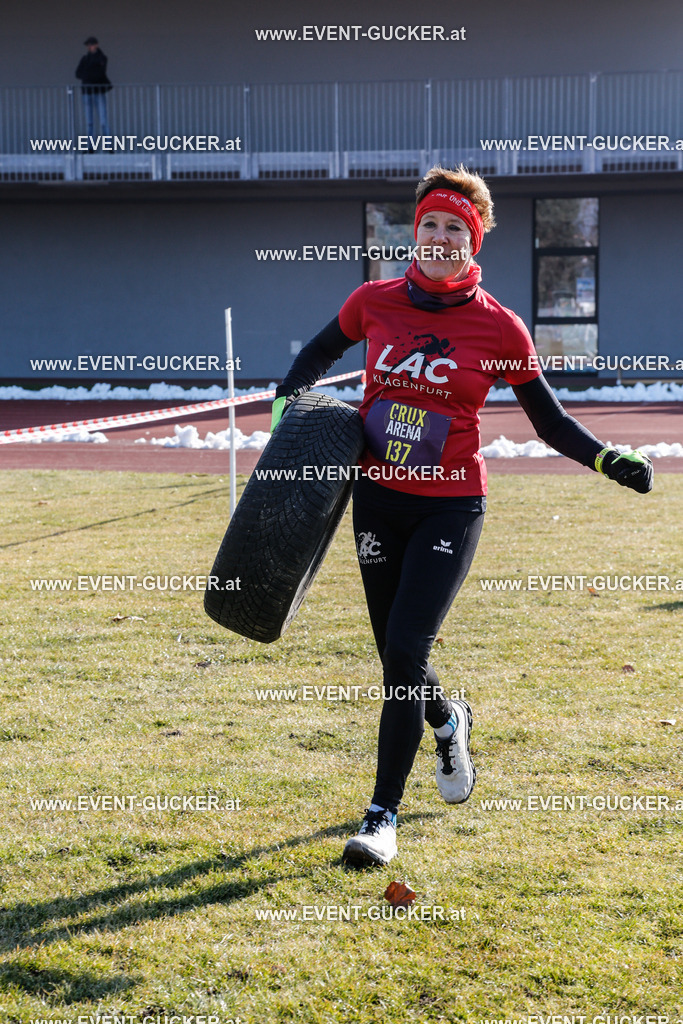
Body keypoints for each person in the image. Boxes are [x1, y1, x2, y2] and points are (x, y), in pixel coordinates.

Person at [271, 165, 653, 867]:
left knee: (404, 652)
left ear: (472, 242)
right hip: (376, 502)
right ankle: (448, 720)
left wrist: (607, 459)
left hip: (449, 505)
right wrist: (285, 410)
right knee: (398, 656)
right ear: (413, 234)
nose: (440, 236)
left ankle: (381, 816)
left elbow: (548, 422)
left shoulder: (499, 326)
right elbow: (319, 352)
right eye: (429, 224)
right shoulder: (373, 301)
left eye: (454, 227)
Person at [75, 36, 111, 138]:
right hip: (86, 92)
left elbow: (100, 73)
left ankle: (108, 144)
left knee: (103, 121)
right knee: (89, 122)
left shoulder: (102, 58)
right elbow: (77, 73)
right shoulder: (85, 59)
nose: (89, 47)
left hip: (98, 92)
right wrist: (90, 74)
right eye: (88, 45)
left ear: (96, 45)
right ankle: (91, 145)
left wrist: (87, 74)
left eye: (91, 45)